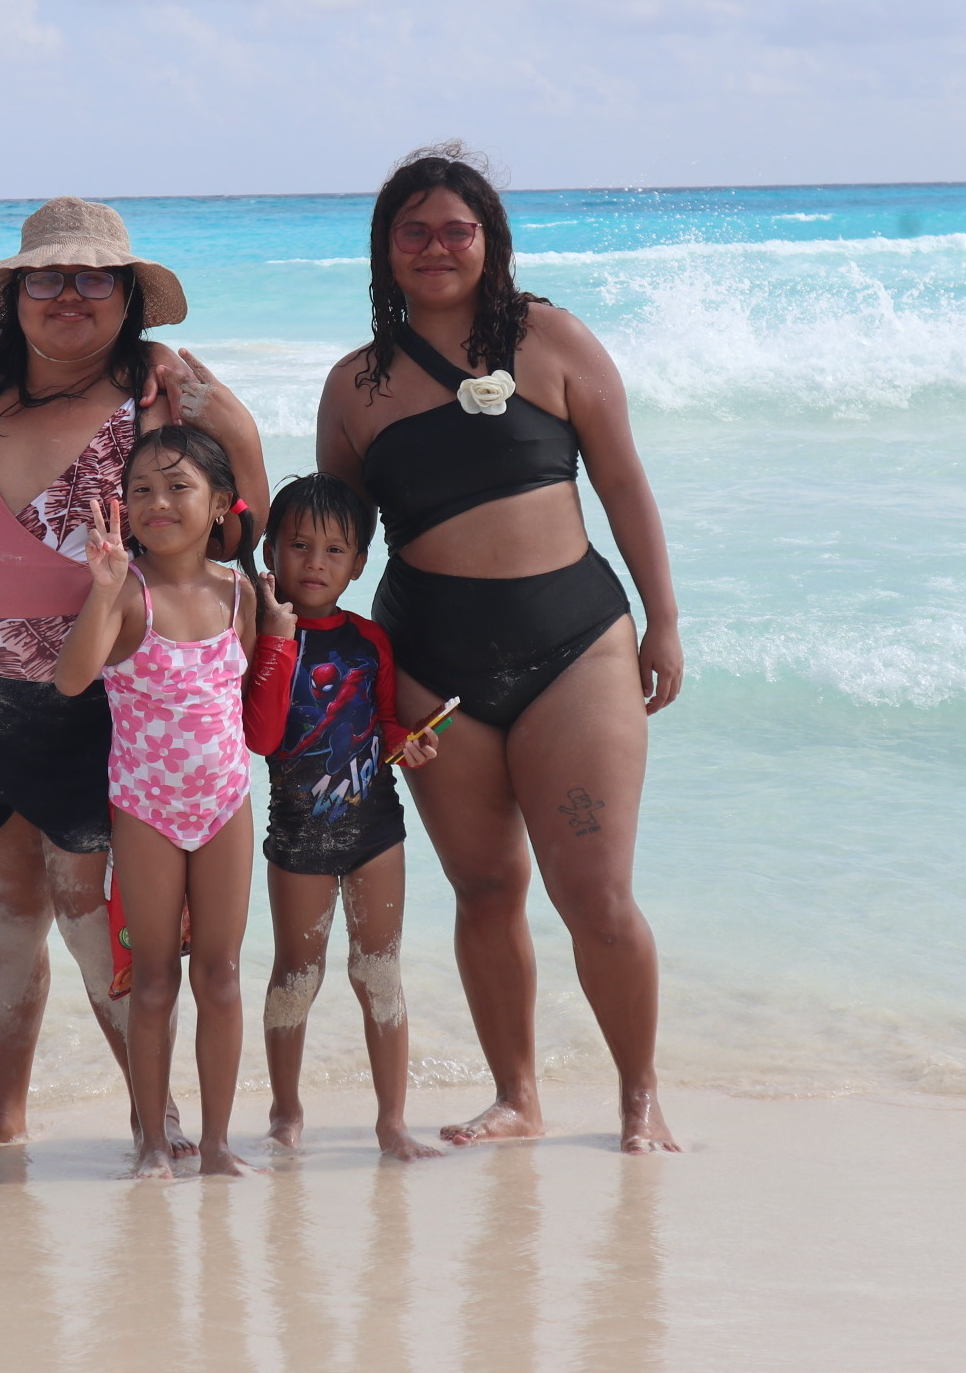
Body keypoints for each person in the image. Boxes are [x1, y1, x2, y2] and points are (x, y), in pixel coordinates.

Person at [315, 145, 686, 1155]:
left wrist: (663, 618)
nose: (435, 247)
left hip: (576, 645)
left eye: (456, 229)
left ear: (491, 241)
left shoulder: (551, 339)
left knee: (596, 893)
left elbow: (623, 482)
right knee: (486, 891)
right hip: (431, 661)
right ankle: (517, 1096)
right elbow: (331, 541)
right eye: (414, 231)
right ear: (386, 248)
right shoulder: (355, 386)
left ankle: (640, 1098)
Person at [0, 197, 267, 1149]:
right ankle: (2, 1119)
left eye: (93, 278)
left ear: (127, 298)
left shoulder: (158, 400)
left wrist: (229, 417)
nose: (68, 295)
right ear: (15, 296)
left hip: (96, 710)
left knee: (89, 918)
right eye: (47, 276)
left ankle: (160, 1120)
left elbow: (238, 524)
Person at [55, 426, 261, 1179]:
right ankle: (150, 1143)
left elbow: (242, 695)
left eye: (179, 487)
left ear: (220, 504)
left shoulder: (240, 593)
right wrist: (103, 587)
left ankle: (217, 1145)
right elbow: (70, 680)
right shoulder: (127, 593)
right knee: (152, 982)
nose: (157, 502)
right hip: (146, 810)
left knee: (221, 977)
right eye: (140, 489)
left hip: (226, 804)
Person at [243, 473, 444, 1161]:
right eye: (299, 545)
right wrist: (276, 638)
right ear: (270, 553)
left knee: (379, 973)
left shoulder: (369, 640)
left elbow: (383, 724)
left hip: (375, 830)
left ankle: (392, 1121)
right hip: (297, 834)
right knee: (297, 976)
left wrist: (409, 744)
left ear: (359, 564)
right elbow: (262, 737)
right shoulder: (260, 636)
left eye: (334, 550)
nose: (315, 562)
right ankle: (285, 1112)